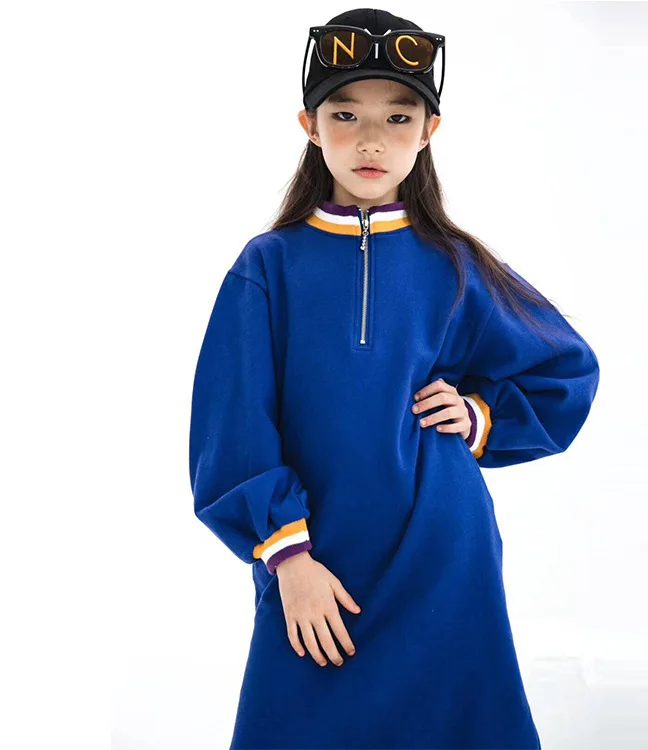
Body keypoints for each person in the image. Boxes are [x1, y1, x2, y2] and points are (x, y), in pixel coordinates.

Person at [188, 8, 600, 749]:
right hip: (316, 558)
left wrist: (478, 416)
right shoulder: (268, 266)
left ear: (429, 130)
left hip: (443, 555)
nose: (371, 139)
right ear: (310, 126)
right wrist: (289, 559)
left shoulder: (457, 265)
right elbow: (231, 425)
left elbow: (565, 368)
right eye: (345, 114)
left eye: (398, 116)